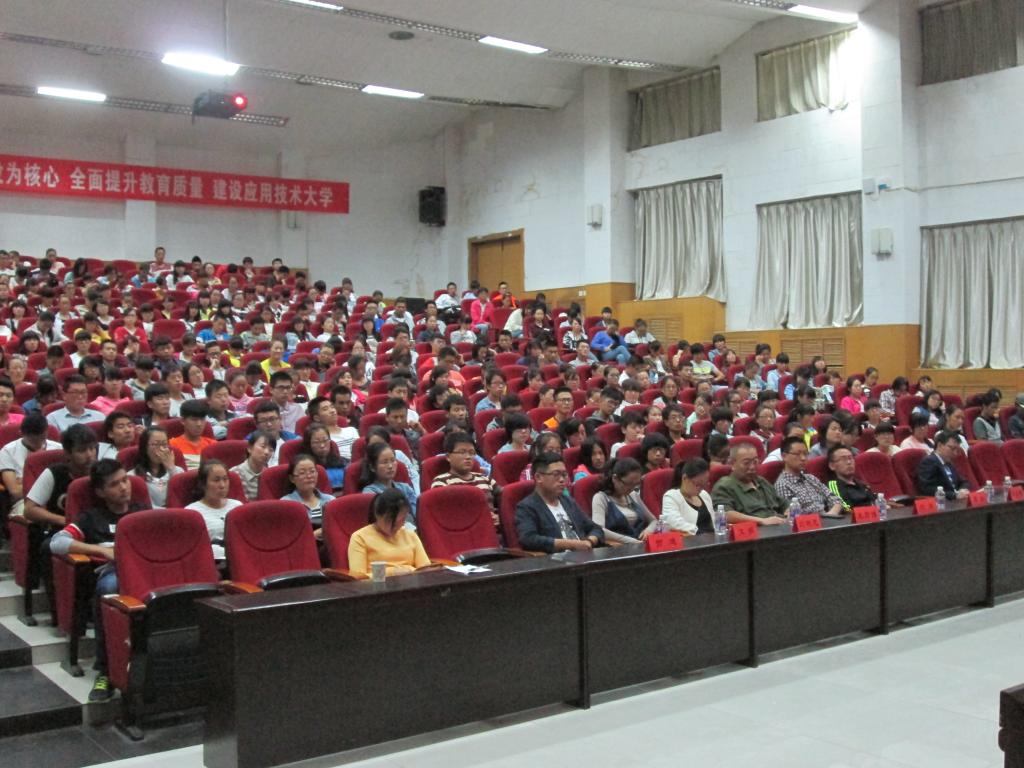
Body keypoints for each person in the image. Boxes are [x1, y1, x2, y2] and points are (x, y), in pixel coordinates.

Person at [48, 460, 145, 702]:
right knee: (108, 587)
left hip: (145, 571)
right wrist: (100, 550)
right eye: (114, 484)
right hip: (113, 573)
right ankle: (105, 670)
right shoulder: (91, 518)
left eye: (125, 480)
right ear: (100, 492)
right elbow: (57, 542)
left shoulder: (142, 512)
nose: (124, 487)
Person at [514, 452, 604, 553]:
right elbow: (528, 539)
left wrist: (589, 542)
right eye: (556, 474)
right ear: (538, 477)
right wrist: (571, 544)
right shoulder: (527, 507)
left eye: (564, 475)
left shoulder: (568, 501)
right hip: (556, 559)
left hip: (584, 555)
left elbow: (595, 529)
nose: (562, 480)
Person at [347, 488, 432, 578]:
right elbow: (358, 577)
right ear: (377, 515)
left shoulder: (410, 535)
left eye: (402, 520)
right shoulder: (360, 537)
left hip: (411, 582)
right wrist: (392, 572)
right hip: (378, 585)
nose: (398, 525)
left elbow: (425, 569)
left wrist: (409, 571)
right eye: (391, 521)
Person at [430, 432, 500, 528]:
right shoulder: (441, 482)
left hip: (494, 530)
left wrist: (499, 517)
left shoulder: (485, 478)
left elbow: (505, 503)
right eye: (462, 452)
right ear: (448, 457)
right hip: (465, 530)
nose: (468, 457)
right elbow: (447, 515)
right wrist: (483, 518)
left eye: (471, 453)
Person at [711, 442, 788, 525]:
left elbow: (784, 504)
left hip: (778, 526)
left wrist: (789, 512)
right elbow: (725, 514)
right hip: (755, 529)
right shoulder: (724, 486)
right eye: (746, 463)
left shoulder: (761, 481)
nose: (752, 467)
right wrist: (762, 521)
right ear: (732, 464)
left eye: (755, 462)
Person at [0, 412, 61, 516]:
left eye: (41, 439)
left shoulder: (58, 449)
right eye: (32, 441)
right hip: (24, 502)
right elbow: (15, 491)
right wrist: (48, 484)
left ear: (46, 433)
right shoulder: (8, 451)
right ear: (21, 433)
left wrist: (25, 481)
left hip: (55, 499)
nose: (37, 444)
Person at [590, 458, 657, 544]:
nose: (632, 488)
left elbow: (654, 521)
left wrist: (649, 530)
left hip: (640, 544)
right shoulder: (601, 498)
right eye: (629, 484)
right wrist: (631, 541)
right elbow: (599, 530)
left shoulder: (633, 495)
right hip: (618, 547)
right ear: (615, 478)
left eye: (636, 484)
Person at [186, 460, 242, 561]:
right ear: (203, 484)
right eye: (216, 480)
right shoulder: (191, 512)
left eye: (225, 479)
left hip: (240, 559)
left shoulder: (238, 506)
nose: (222, 485)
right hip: (211, 562)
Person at [773, 436, 844, 517]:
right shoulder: (782, 485)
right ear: (784, 456)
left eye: (805, 454)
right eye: (797, 454)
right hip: (809, 523)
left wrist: (830, 514)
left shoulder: (811, 478)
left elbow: (836, 500)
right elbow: (793, 516)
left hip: (827, 518)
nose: (803, 458)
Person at [359, 441, 418, 527]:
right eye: (384, 462)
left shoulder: (406, 488)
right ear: (372, 467)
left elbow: (418, 516)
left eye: (393, 460)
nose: (390, 466)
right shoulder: (369, 493)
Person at [129, 426, 182, 508]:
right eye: (156, 444)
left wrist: (171, 469)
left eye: (164, 444)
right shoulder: (133, 477)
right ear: (145, 447)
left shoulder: (178, 471)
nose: (161, 449)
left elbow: (182, 499)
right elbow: (146, 507)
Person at [661, 458, 716, 536]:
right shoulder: (671, 496)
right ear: (685, 478)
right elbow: (673, 523)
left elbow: (714, 522)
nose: (701, 488)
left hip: (712, 539)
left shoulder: (704, 495)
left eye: (705, 484)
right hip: (691, 540)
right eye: (698, 485)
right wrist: (699, 532)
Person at [280, 454, 333, 530]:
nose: (309, 476)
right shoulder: (286, 503)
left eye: (312, 471)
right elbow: (288, 533)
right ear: (292, 478)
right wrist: (314, 535)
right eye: (302, 473)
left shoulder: (330, 500)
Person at [916, 430, 970, 500]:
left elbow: (963, 481)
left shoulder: (948, 462)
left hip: (956, 501)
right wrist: (954, 495)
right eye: (952, 448)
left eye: (957, 450)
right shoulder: (929, 462)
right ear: (939, 445)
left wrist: (963, 489)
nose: (955, 453)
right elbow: (927, 489)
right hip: (943, 502)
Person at [824, 445, 878, 510]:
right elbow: (844, 509)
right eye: (843, 459)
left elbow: (876, 503)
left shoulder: (863, 485)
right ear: (832, 466)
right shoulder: (832, 486)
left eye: (850, 458)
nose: (849, 462)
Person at [169, 400, 216, 470]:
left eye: (202, 419)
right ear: (183, 421)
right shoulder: (173, 445)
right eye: (194, 420)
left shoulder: (213, 444)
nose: (199, 424)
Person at [231, 431, 276, 502]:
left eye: (271, 450)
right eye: (263, 447)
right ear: (249, 448)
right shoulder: (234, 474)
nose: (267, 452)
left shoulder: (270, 476)